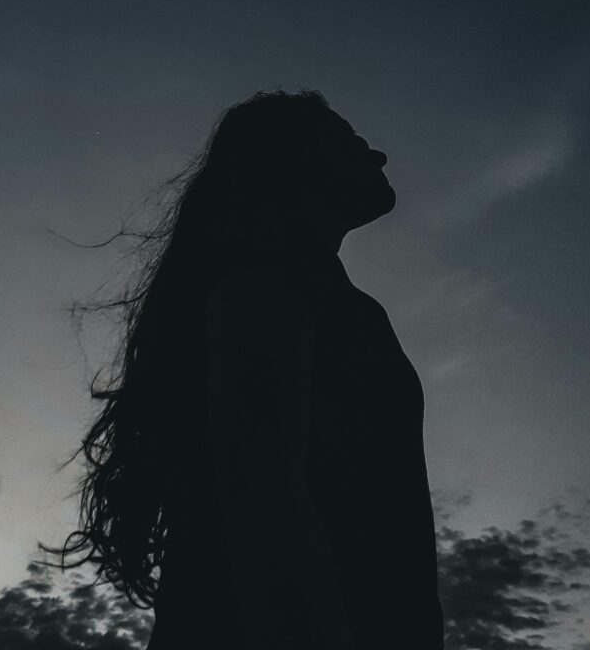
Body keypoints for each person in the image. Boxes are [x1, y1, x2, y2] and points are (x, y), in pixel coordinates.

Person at [40, 88, 444, 649]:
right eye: (351, 142)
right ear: (295, 162)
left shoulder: (327, 301)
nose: (377, 155)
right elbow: (267, 509)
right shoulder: (263, 292)